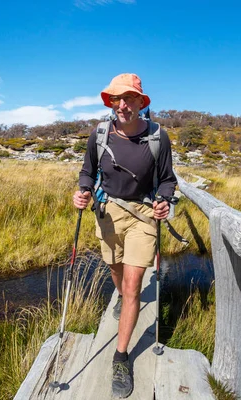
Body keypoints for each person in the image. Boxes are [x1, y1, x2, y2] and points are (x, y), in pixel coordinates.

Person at [73, 73, 177, 398]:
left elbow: (167, 180)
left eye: (130, 98)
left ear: (140, 103)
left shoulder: (158, 137)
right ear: (111, 102)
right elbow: (88, 171)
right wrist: (83, 191)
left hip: (143, 217)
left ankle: (121, 356)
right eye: (117, 99)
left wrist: (164, 200)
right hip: (108, 215)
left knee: (133, 285)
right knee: (116, 271)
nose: (123, 105)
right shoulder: (99, 135)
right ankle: (120, 296)